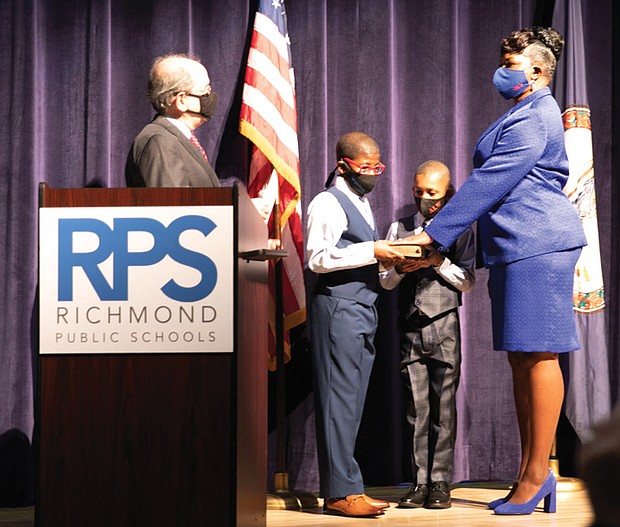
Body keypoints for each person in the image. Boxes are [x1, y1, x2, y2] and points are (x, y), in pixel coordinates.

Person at [404, 26, 587, 515]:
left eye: (511, 63)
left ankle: (536, 475)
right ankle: (529, 471)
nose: (502, 71)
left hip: (538, 243)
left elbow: (492, 179)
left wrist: (433, 232)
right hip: (515, 245)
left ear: (537, 70)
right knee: (521, 359)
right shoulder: (521, 112)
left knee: (538, 355)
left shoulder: (536, 113)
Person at [306, 131, 405, 518]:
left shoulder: (360, 203)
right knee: (338, 402)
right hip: (338, 310)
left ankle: (349, 486)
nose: (373, 174)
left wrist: (391, 260)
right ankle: (339, 493)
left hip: (363, 308)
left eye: (378, 167)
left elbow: (361, 257)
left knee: (351, 403)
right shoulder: (327, 202)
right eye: (366, 167)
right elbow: (318, 257)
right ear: (344, 164)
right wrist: (372, 250)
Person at [379, 160, 475, 509]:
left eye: (431, 193)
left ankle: (440, 483)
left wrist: (436, 261)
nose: (423, 199)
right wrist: (399, 267)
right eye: (417, 192)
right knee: (415, 409)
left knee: (443, 409)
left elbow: (468, 282)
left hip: (445, 325)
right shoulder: (398, 228)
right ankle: (419, 482)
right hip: (410, 328)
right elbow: (385, 282)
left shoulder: (460, 229)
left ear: (447, 192)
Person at [125, 54, 220, 188]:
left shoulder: (175, 138)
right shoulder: (160, 142)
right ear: (181, 100)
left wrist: (241, 206)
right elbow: (173, 205)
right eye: (205, 92)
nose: (210, 97)